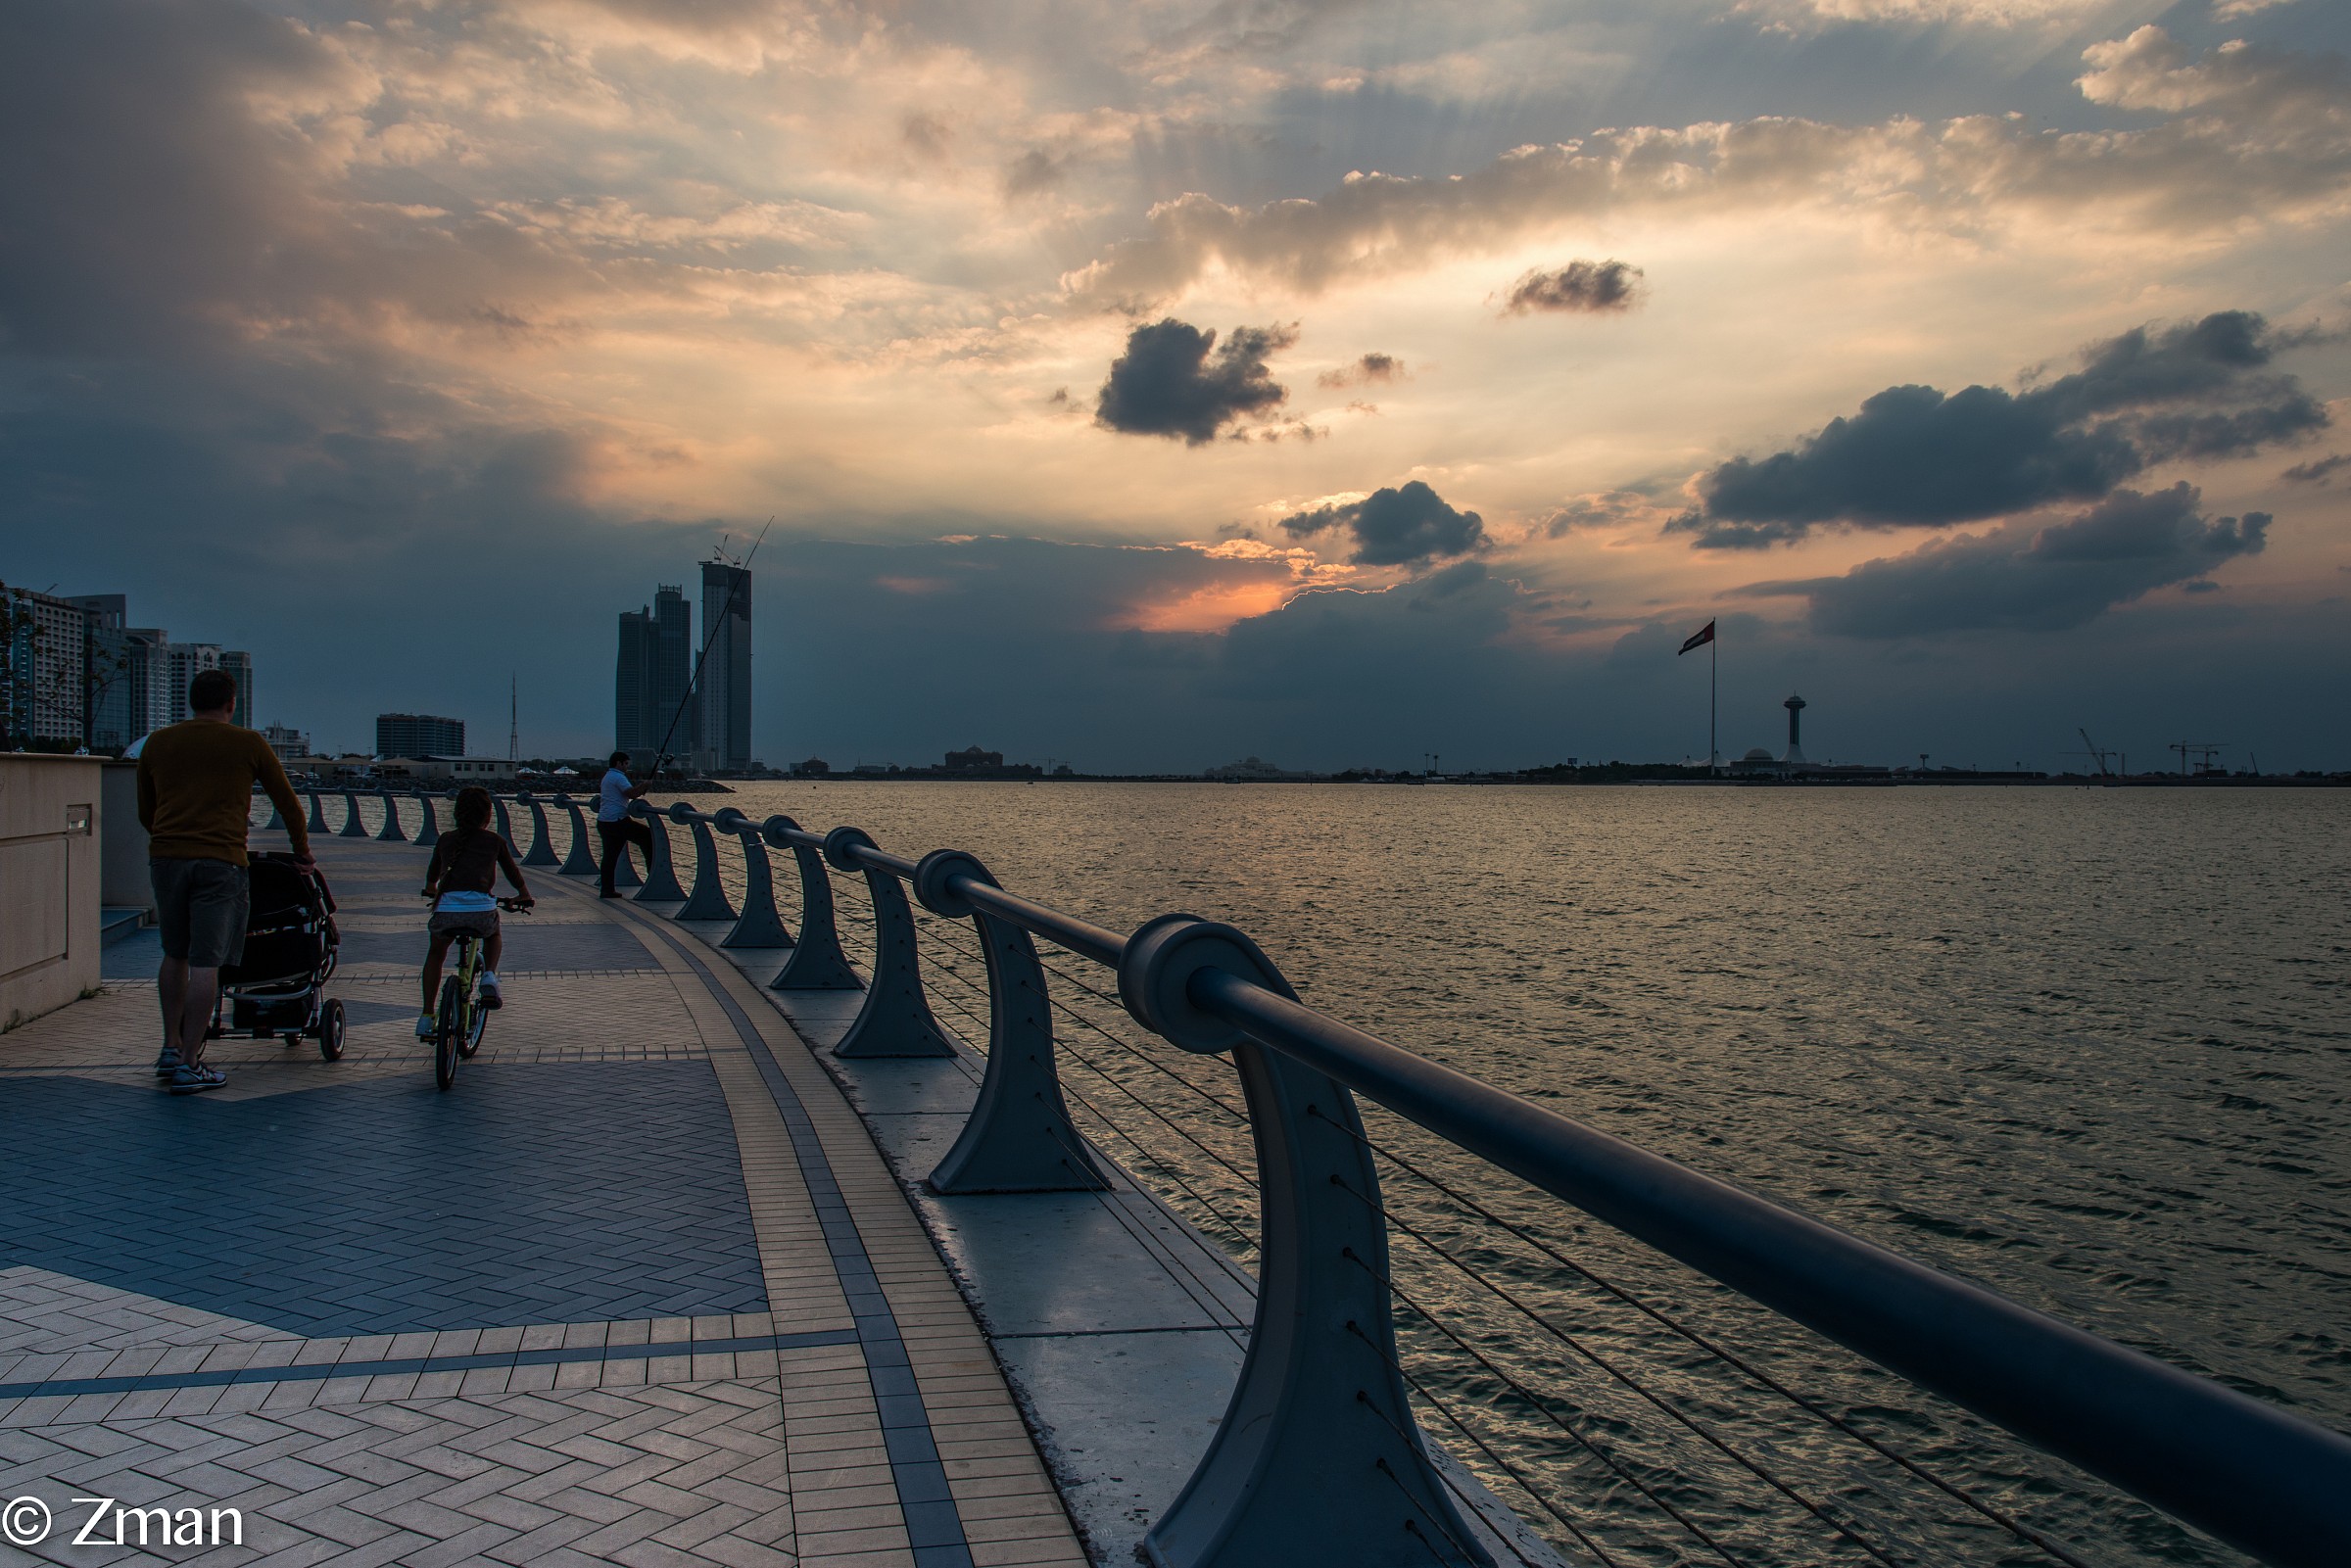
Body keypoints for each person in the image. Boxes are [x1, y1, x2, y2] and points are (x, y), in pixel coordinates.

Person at [136, 668, 311, 1094]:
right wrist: (302, 852)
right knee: (205, 962)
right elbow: (288, 805)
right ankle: (189, 1063)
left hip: (167, 858)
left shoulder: (158, 742)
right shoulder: (248, 743)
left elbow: (146, 809)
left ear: (190, 701)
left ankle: (169, 1047)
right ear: (232, 703)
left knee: (174, 953)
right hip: (221, 862)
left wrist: (170, 839)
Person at [417, 785, 533, 1038]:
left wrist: (431, 889)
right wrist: (524, 894)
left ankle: (426, 1016)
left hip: (446, 912)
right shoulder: (495, 841)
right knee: (493, 934)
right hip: (481, 912)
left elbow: (431, 879)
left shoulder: (445, 839)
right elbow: (513, 873)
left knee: (436, 954)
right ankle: (489, 975)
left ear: (457, 813)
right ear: (488, 815)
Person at [597, 749, 654, 898]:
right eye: (626, 764)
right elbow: (632, 794)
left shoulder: (607, 776)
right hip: (618, 821)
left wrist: (641, 788)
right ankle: (652, 875)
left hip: (604, 821)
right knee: (648, 836)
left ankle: (607, 889)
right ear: (619, 763)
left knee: (609, 857)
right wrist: (644, 784)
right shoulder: (618, 777)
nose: (627, 767)